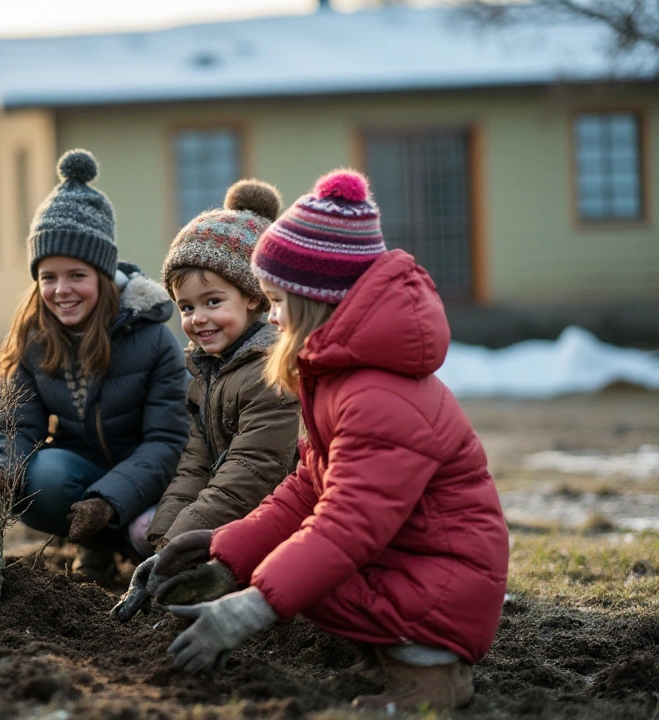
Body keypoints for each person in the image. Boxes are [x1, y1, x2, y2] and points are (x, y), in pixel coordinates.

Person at [155, 170, 508, 713]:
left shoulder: (378, 395)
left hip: (444, 587)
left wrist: (248, 607)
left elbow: (345, 528)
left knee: (304, 578)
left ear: (314, 300)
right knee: (288, 566)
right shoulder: (343, 375)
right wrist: (226, 553)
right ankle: (408, 651)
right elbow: (307, 488)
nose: (270, 315)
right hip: (420, 566)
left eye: (275, 300)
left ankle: (430, 676)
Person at [0, 149, 188, 584]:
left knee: (145, 540)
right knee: (43, 477)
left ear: (102, 273)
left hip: (153, 482)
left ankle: (121, 540)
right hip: (79, 478)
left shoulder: (152, 337)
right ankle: (94, 543)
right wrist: (3, 471)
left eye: (76, 275)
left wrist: (108, 502)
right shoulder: (33, 338)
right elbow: (17, 426)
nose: (62, 290)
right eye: (48, 277)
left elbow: (168, 441)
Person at [111, 179, 301, 621]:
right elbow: (195, 462)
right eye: (187, 307)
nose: (198, 319)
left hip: (273, 513)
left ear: (253, 296)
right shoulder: (207, 369)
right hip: (230, 506)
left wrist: (180, 544)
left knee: (199, 557)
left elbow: (248, 474)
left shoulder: (271, 371)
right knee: (144, 532)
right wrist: (164, 540)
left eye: (213, 301)